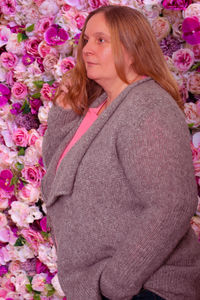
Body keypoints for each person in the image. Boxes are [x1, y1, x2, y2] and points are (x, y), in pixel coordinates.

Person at [41, 5, 200, 300]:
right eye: (86, 40)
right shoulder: (101, 106)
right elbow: (58, 178)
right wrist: (64, 111)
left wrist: (116, 284)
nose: (87, 49)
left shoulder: (148, 107)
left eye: (101, 40)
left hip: (146, 289)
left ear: (132, 48)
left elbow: (173, 204)